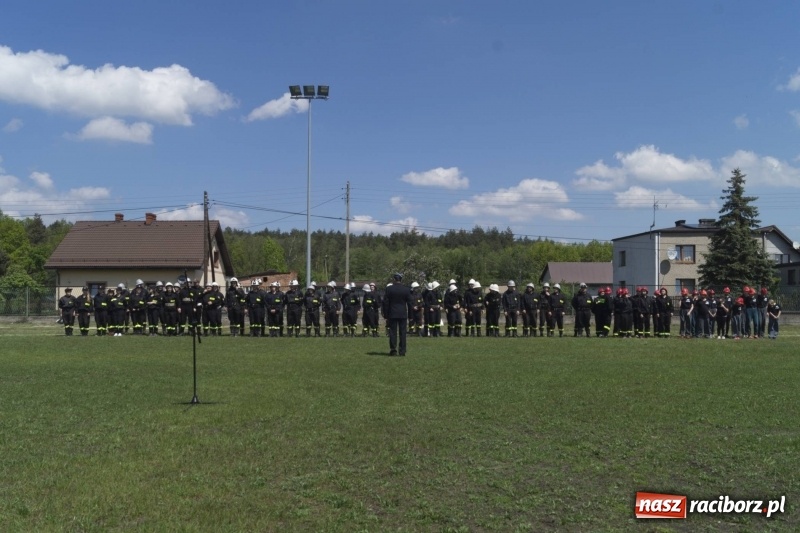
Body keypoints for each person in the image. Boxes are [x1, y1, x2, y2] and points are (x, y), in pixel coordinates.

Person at [381, 273, 413, 356]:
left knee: (393, 332)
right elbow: (410, 304)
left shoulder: (389, 289)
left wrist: (386, 314)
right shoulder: (406, 290)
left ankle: (393, 350)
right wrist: (410, 316)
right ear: (401, 280)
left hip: (392, 313)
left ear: (394, 279)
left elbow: (386, 303)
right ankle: (402, 351)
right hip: (403, 313)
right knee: (403, 333)